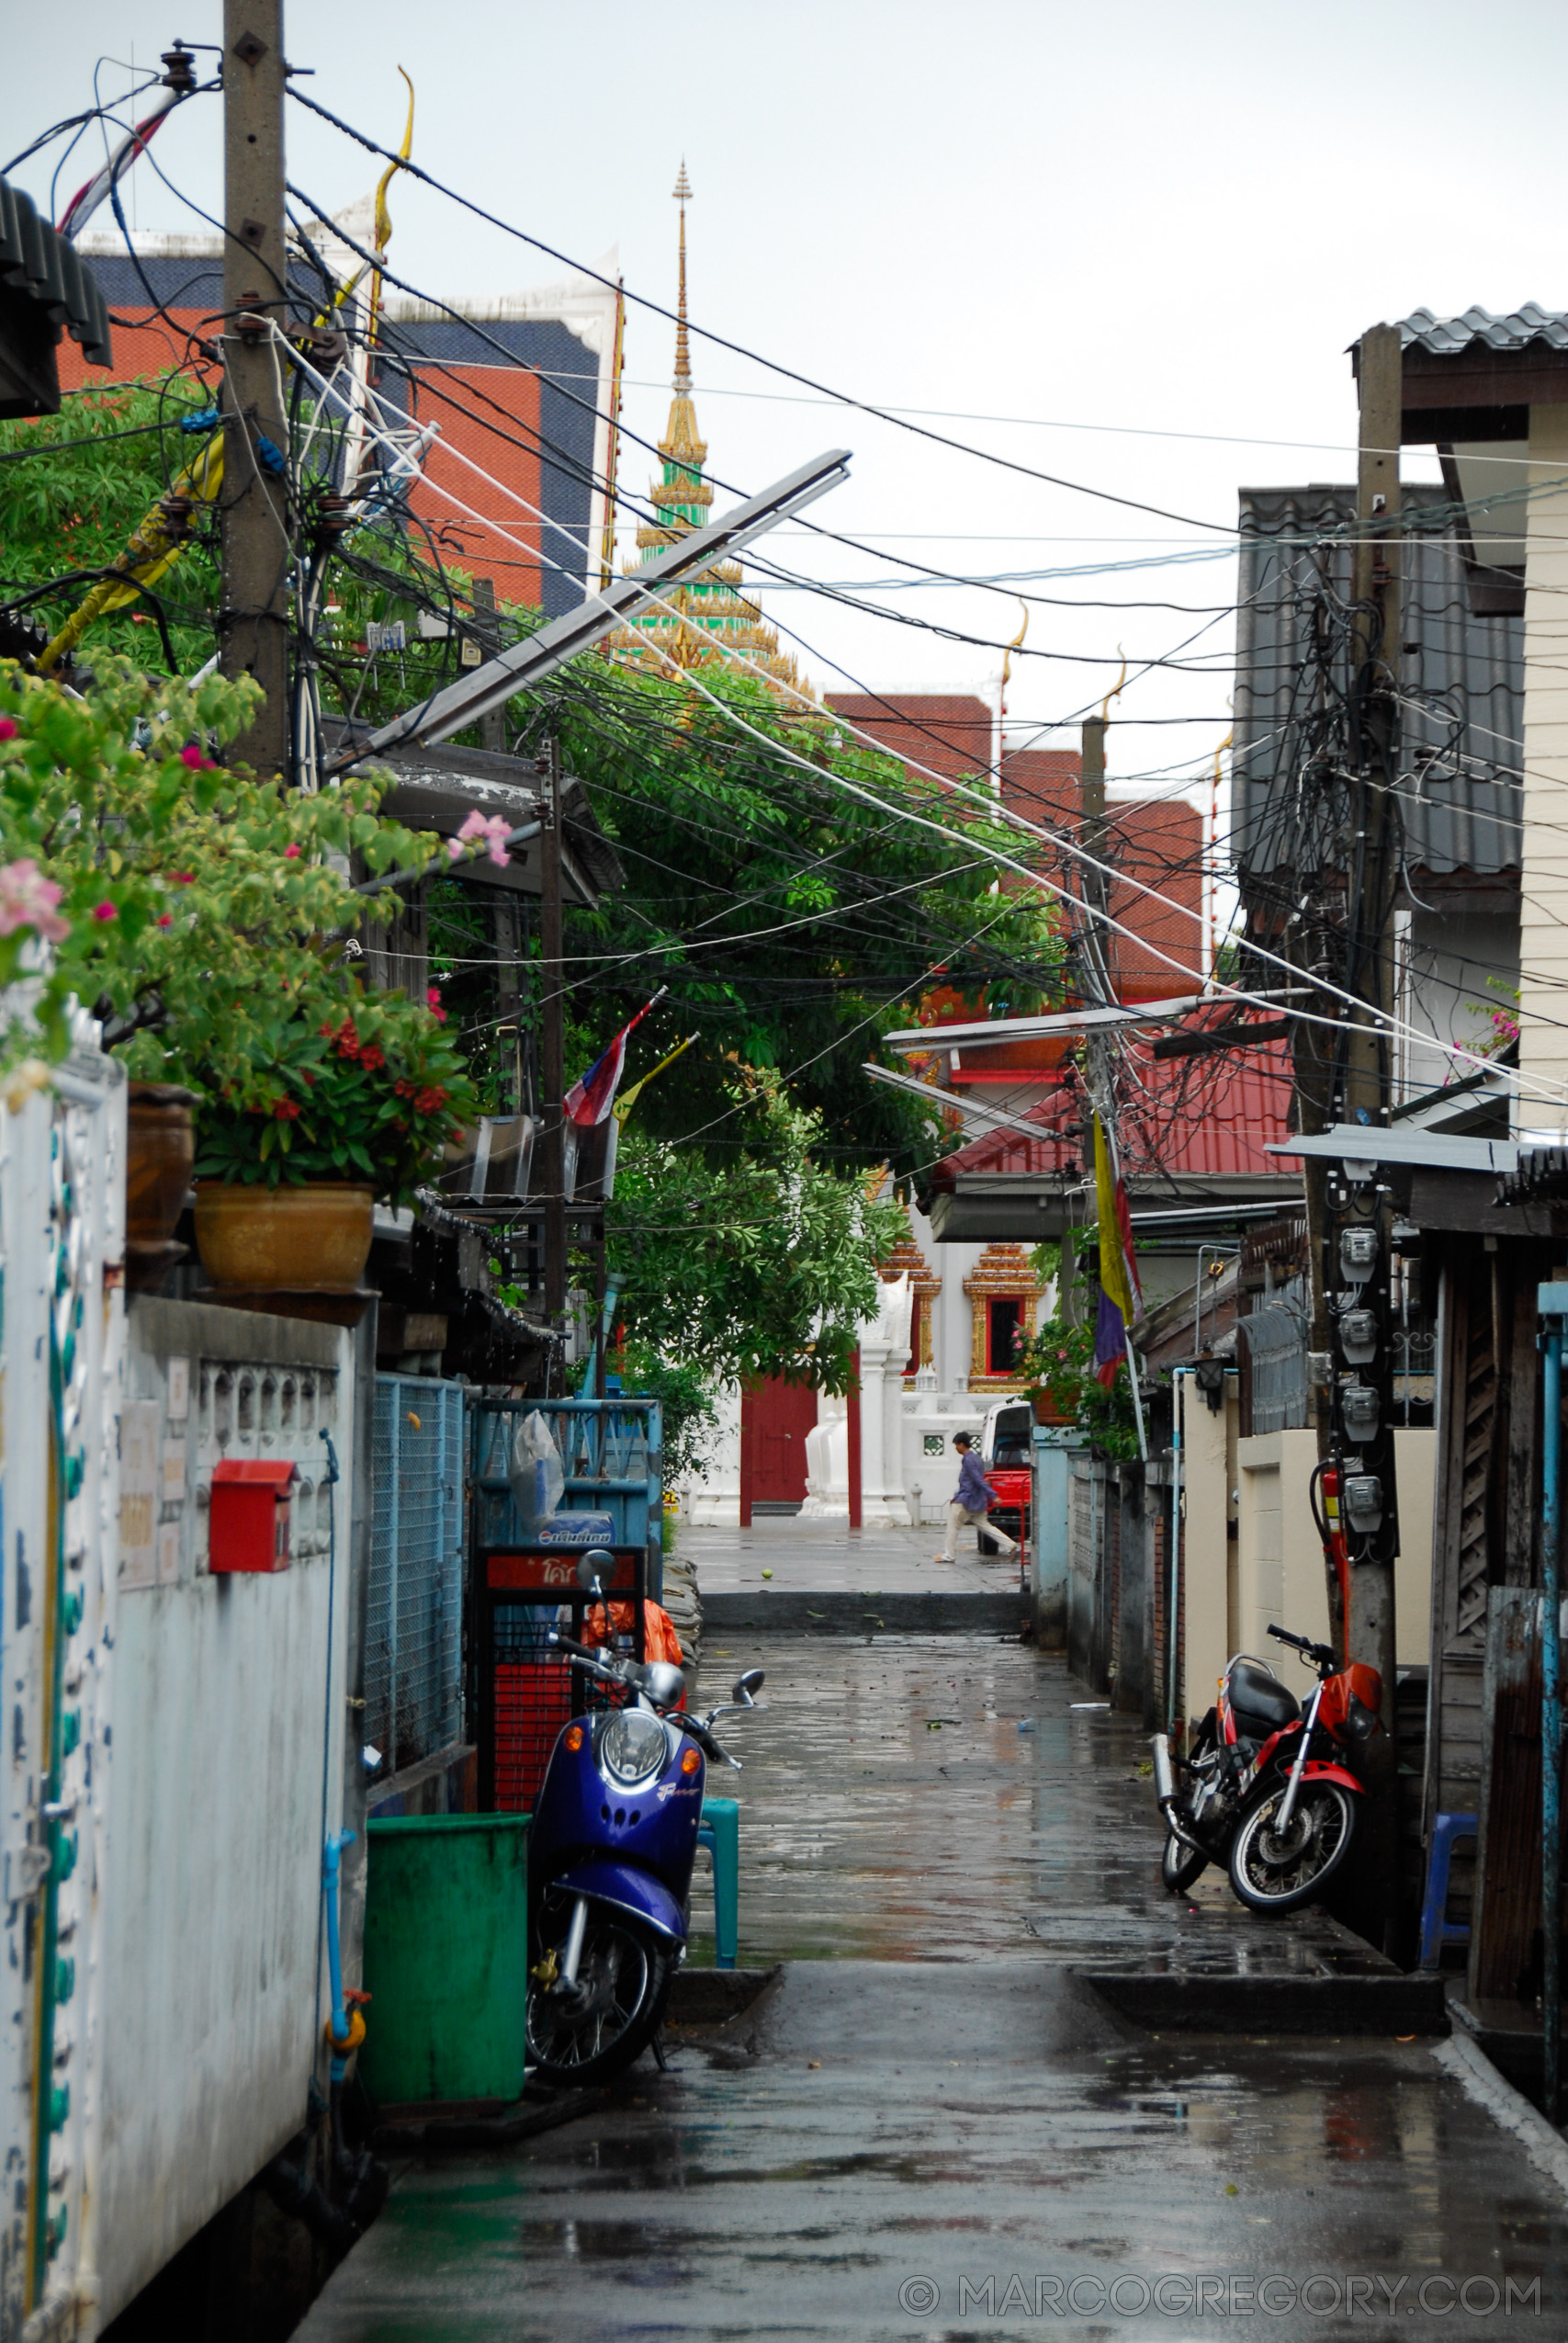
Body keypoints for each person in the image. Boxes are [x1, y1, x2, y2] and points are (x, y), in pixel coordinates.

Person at [935, 1431, 1020, 1565]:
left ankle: (949, 1555)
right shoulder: (976, 1458)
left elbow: (977, 1480)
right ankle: (1010, 1545)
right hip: (978, 1501)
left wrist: (993, 1495)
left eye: (956, 1445)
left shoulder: (968, 1460)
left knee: (952, 1527)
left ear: (962, 1445)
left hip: (966, 1500)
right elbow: (980, 1480)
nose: (956, 1448)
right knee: (986, 1526)